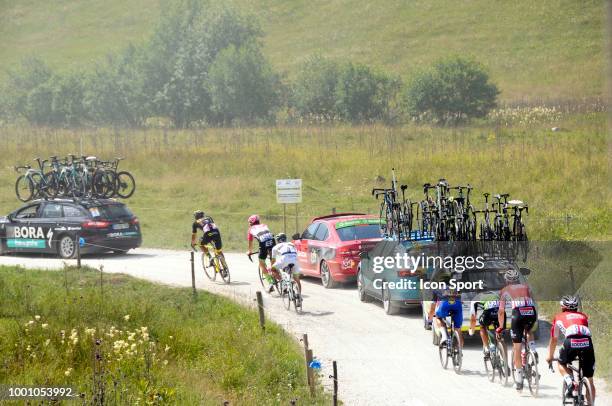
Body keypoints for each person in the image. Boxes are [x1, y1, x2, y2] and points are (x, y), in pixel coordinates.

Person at [546, 295, 596, 403]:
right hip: (587, 343)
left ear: (562, 307)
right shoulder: (583, 316)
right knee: (590, 380)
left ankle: (570, 382)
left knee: (561, 363)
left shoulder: (559, 317)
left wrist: (550, 356)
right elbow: (583, 333)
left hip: (571, 342)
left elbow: (554, 339)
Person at [496, 268, 537, 391]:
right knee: (528, 331)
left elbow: (501, 311)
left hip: (518, 314)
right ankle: (533, 350)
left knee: (517, 347)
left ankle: (519, 381)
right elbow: (532, 301)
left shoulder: (504, 290)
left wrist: (500, 327)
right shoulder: (527, 287)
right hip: (531, 313)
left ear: (507, 281)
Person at [427, 272, 464, 349]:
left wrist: (430, 320)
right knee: (458, 329)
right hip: (457, 305)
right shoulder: (456, 286)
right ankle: (460, 352)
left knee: (438, 317)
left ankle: (444, 336)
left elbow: (432, 308)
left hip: (445, 304)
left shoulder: (436, 288)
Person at [246, 215, 277, 292]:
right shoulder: (264, 225)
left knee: (261, 264)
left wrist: (249, 251)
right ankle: (283, 282)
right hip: (273, 242)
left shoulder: (250, 229)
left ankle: (270, 283)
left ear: (251, 223)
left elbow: (250, 242)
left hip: (263, 244)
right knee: (273, 263)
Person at [469, 290, 501, 359]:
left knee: (482, 326)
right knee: (499, 330)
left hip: (489, 313)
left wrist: (472, 330)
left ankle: (486, 348)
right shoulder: (495, 294)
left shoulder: (476, 298)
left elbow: (473, 318)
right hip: (500, 313)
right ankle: (501, 345)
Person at [271, 233, 302, 299]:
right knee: (297, 279)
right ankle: (299, 296)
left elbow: (273, 261)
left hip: (285, 259)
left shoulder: (275, 247)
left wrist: (274, 269)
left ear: (278, 240)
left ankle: (282, 282)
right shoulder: (291, 244)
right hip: (295, 259)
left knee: (272, 269)